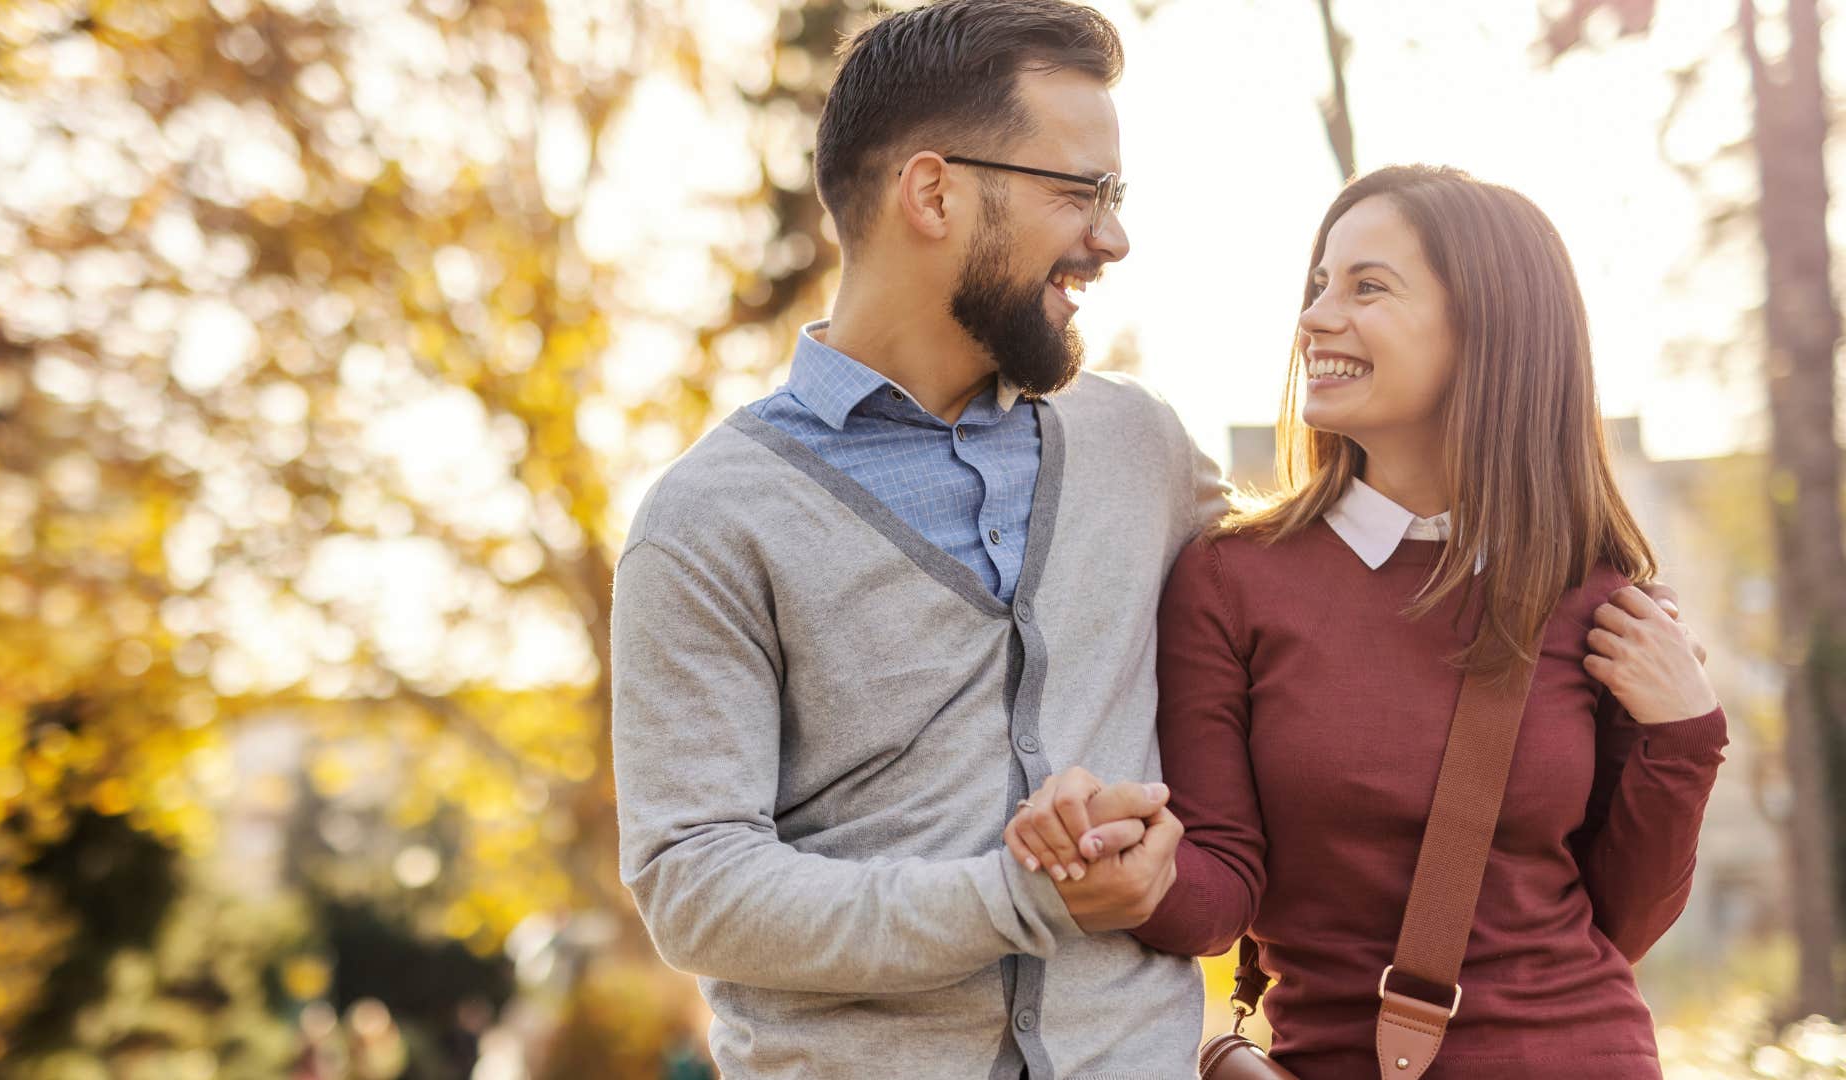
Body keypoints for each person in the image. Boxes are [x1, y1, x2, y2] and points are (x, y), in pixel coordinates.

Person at [609, 2, 1229, 1076]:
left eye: (1114, 196)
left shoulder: (1143, 448)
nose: (1113, 237)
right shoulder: (709, 520)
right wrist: (1010, 897)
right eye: (1079, 192)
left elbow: (1320, 616)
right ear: (934, 192)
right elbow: (695, 885)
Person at [1005, 165, 1725, 1079]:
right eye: (1317, 286)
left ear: (1487, 326)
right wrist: (1119, 859)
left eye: (1367, 286)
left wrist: (1688, 734)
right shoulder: (1232, 580)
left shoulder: (1592, 590)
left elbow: (1622, 921)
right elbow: (1220, 896)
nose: (1313, 317)